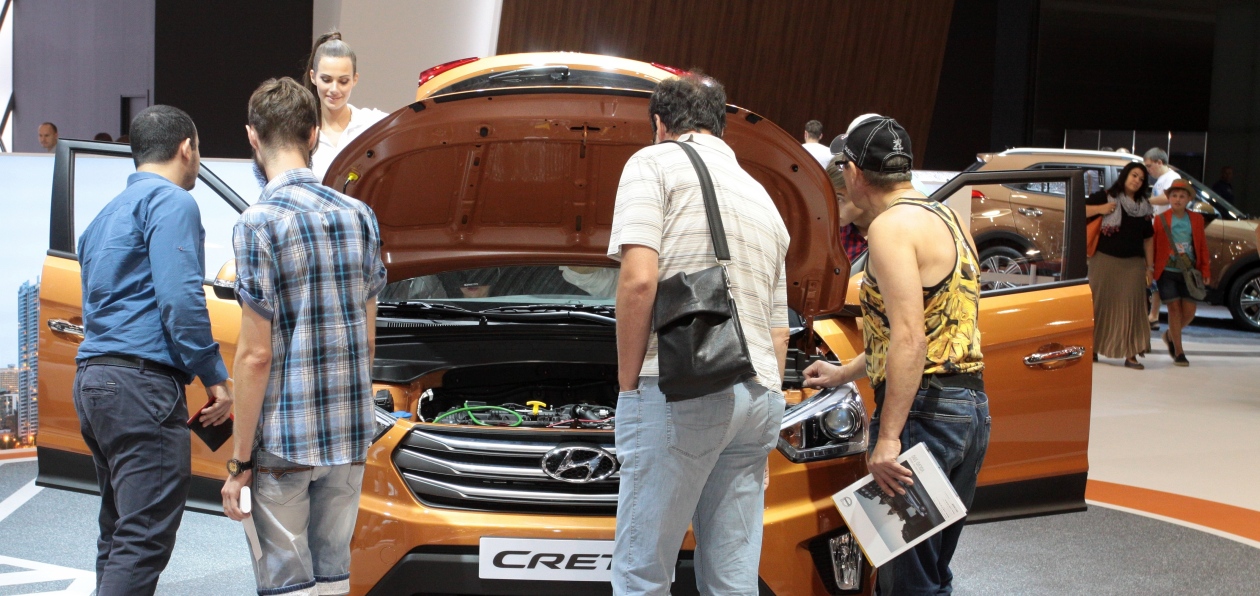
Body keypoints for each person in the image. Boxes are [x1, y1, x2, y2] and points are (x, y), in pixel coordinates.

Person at [608, 72, 790, 595]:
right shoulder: (762, 196)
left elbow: (639, 281)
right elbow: (779, 329)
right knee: (732, 579)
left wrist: (628, 386)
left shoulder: (653, 164)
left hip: (684, 388)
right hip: (759, 398)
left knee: (642, 572)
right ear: (720, 125)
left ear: (660, 124)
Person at [802, 115, 988, 596]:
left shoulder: (890, 228)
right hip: (969, 412)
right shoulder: (949, 218)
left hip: (922, 414)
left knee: (907, 582)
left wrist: (887, 439)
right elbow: (931, 326)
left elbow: (910, 340)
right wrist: (843, 372)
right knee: (931, 575)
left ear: (853, 172)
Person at [220, 77, 386, 596]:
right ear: (314, 134)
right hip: (348, 434)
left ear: (252, 136)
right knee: (335, 575)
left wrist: (239, 462)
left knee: (288, 584)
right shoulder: (360, 216)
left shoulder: (258, 223)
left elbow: (255, 357)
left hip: (284, 441)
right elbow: (368, 339)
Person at [75, 105, 233, 595]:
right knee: (143, 536)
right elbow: (180, 300)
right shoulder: (172, 202)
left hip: (93, 382)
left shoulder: (102, 218)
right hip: (142, 389)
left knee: (119, 529)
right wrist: (214, 376)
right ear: (186, 147)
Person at [1086, 162, 1155, 369]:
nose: (1137, 181)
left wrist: (1150, 267)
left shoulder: (1144, 206)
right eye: (1134, 175)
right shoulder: (1105, 196)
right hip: (1104, 261)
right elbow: (1078, 209)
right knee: (1099, 305)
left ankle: (1131, 354)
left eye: (1141, 179)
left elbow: (1148, 239)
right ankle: (1093, 348)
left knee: (1133, 308)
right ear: (1125, 175)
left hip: (1133, 264)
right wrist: (1100, 209)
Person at [305, 31, 388, 181]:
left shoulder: (373, 123)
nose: (334, 89)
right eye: (326, 80)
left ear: (355, 79)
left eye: (343, 81)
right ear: (313, 77)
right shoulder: (300, 131)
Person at [1153, 179, 1210, 366]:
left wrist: (1205, 269)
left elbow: (1202, 246)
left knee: (1190, 311)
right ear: (1169, 198)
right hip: (1166, 271)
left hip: (1189, 272)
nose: (1177, 199)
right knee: (1174, 310)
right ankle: (1179, 351)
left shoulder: (1196, 219)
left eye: (1182, 196)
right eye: (1174, 195)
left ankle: (1170, 334)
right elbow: (1154, 246)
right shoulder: (1160, 219)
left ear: (1188, 199)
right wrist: (1150, 269)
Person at [1143, 148, 1180, 328]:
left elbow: (1169, 198)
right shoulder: (1161, 180)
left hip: (1165, 232)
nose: (1148, 170)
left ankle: (1153, 314)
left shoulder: (1172, 178)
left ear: (1159, 162)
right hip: (1157, 230)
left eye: (1149, 166)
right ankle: (1153, 314)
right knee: (1153, 271)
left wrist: (1146, 201)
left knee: (1155, 271)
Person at [825, 153, 873, 262]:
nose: (830, 208)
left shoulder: (892, 230)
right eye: (827, 198)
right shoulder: (831, 233)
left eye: (838, 199)